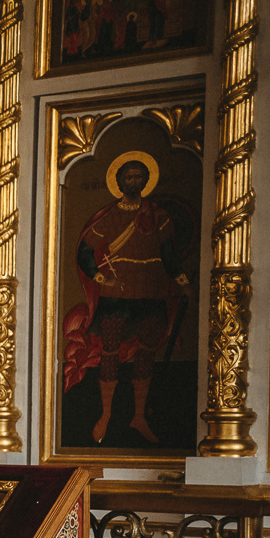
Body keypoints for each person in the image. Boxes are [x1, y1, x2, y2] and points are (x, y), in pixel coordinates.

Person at [72, 156, 193, 445]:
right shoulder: (111, 217)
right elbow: (85, 253)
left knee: (147, 353)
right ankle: (106, 415)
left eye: (140, 177)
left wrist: (184, 283)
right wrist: (102, 280)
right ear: (120, 181)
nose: (134, 181)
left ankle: (139, 416)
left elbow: (168, 254)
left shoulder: (158, 215)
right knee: (109, 352)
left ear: (145, 180)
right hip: (118, 294)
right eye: (129, 177)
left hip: (150, 291)